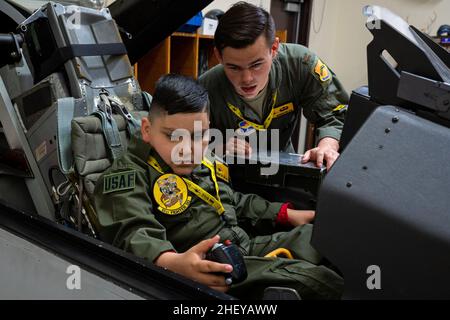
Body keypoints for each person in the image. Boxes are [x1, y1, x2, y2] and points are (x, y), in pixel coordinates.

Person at [93, 74, 343, 299]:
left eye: (199, 135)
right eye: (173, 136)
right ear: (147, 130)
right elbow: (133, 234)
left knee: (336, 236)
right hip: (205, 268)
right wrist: (175, 263)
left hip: (240, 245)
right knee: (317, 281)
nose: (187, 149)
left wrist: (285, 214)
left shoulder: (204, 159)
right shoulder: (127, 176)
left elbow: (232, 200)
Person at [199, 2, 349, 171]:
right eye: (234, 67)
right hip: (231, 175)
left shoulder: (300, 65)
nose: (247, 78)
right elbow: (183, 145)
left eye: (256, 65)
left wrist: (327, 145)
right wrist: (214, 148)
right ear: (218, 56)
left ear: (274, 48)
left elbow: (335, 112)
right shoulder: (205, 89)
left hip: (284, 168)